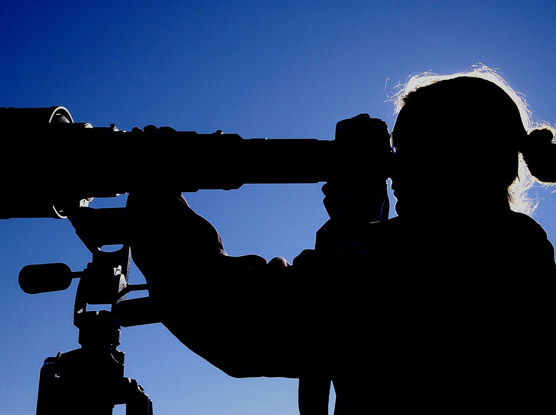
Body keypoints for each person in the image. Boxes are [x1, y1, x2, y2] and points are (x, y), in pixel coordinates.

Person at [127, 67, 556, 414]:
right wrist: (357, 229)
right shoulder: (512, 248)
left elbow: (238, 322)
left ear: (454, 157)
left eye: (406, 151)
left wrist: (153, 189)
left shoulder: (449, 255)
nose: (392, 169)